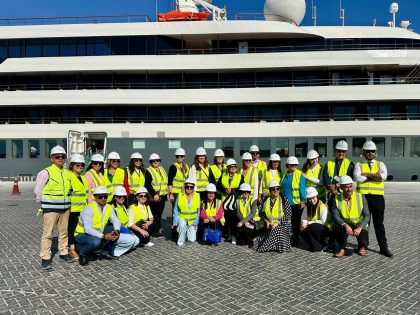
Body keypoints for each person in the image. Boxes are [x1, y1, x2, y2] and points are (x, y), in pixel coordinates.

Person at [74, 186, 138, 266]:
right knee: (96, 241)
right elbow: (87, 229)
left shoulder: (109, 207)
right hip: (81, 234)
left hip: (98, 232)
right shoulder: (89, 208)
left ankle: (104, 252)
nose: (103, 198)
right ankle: (82, 253)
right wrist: (104, 236)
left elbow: (116, 221)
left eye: (105, 196)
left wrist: (117, 230)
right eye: (100, 196)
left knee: (113, 231)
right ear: (95, 197)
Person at [34, 145, 73, 270]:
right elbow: (38, 189)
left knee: (63, 232)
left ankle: (63, 253)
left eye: (63, 157)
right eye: (57, 157)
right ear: (52, 158)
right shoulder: (45, 172)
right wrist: (43, 204)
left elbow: (70, 189)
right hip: (50, 209)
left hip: (65, 208)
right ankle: (45, 258)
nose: (60, 159)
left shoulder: (67, 173)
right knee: (48, 234)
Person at [354, 141, 393, 257]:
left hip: (378, 198)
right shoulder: (358, 165)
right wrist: (375, 175)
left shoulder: (381, 164)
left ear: (375, 152)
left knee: (379, 224)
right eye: (368, 151)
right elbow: (358, 178)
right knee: (364, 224)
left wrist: (366, 174)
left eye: (372, 151)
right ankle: (362, 246)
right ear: (364, 152)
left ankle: (383, 248)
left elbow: (383, 177)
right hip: (363, 198)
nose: (370, 153)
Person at [331, 176, 370, 257]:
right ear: (341, 187)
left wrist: (359, 228)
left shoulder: (361, 197)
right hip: (346, 224)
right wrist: (345, 225)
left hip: (359, 224)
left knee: (364, 242)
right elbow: (335, 216)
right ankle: (341, 248)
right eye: (346, 187)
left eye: (350, 186)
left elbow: (367, 215)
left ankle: (362, 247)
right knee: (335, 227)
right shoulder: (336, 199)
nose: (349, 189)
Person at [253, 181, 292, 253]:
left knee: (278, 232)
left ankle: (266, 245)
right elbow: (260, 213)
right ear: (269, 190)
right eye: (273, 189)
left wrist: (278, 223)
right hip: (269, 224)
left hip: (282, 223)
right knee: (271, 230)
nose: (276, 191)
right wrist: (266, 221)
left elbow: (288, 215)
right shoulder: (265, 200)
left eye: (277, 189)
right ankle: (266, 245)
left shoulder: (284, 199)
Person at [217, 159, 244, 244]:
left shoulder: (240, 176)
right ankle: (227, 235)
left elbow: (242, 189)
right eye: (231, 167)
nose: (232, 168)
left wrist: (233, 190)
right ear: (228, 168)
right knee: (226, 219)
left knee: (234, 219)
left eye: (234, 166)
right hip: (225, 201)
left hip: (234, 201)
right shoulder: (223, 175)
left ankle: (234, 236)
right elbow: (218, 186)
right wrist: (224, 190)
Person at [281, 156, 306, 246]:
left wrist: (303, 200)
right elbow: (282, 187)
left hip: (297, 203)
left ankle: (296, 239)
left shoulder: (299, 174)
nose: (293, 167)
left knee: (296, 222)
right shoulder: (284, 173)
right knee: (289, 221)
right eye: (291, 165)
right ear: (287, 165)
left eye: (295, 165)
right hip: (286, 202)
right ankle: (291, 237)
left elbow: (302, 188)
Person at [68, 154, 89, 260]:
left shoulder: (83, 178)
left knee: (80, 229)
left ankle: (77, 246)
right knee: (71, 229)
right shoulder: (69, 177)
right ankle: (71, 249)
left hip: (82, 209)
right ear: (72, 165)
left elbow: (85, 194)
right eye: (77, 165)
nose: (80, 167)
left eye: (82, 165)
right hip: (72, 209)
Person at [300, 187, 333, 252]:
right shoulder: (307, 207)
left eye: (313, 198)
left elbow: (323, 221)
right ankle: (315, 244)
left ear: (317, 197)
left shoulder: (322, 206)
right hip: (315, 228)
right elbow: (303, 218)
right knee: (302, 230)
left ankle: (321, 246)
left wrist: (308, 223)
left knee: (312, 227)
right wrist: (303, 224)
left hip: (327, 230)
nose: (312, 201)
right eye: (309, 199)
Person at [144, 153, 167, 237]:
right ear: (151, 162)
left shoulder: (162, 169)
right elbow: (148, 184)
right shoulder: (149, 170)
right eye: (153, 161)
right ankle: (153, 231)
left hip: (163, 196)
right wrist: (154, 194)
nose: (155, 162)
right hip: (155, 196)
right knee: (154, 214)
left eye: (157, 160)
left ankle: (157, 229)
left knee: (159, 214)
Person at [173, 178, 201, 246]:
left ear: (193, 187)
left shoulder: (197, 196)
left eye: (191, 187)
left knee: (192, 240)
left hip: (192, 220)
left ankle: (185, 231)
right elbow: (176, 210)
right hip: (182, 218)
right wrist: (175, 222)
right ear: (184, 187)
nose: (189, 188)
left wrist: (195, 223)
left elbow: (198, 212)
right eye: (187, 187)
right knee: (182, 225)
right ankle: (180, 240)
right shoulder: (180, 195)